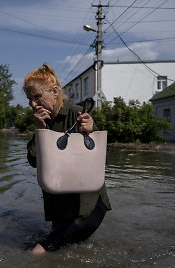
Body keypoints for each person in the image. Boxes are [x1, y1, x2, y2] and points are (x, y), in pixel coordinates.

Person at [23, 64, 111, 254]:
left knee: (38, 253)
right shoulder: (43, 120)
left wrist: (91, 131)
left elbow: (104, 161)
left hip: (86, 208)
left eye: (37, 96)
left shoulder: (77, 114)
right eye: (29, 99)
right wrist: (40, 130)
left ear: (55, 92)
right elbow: (33, 161)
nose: (32, 104)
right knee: (65, 254)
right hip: (60, 208)